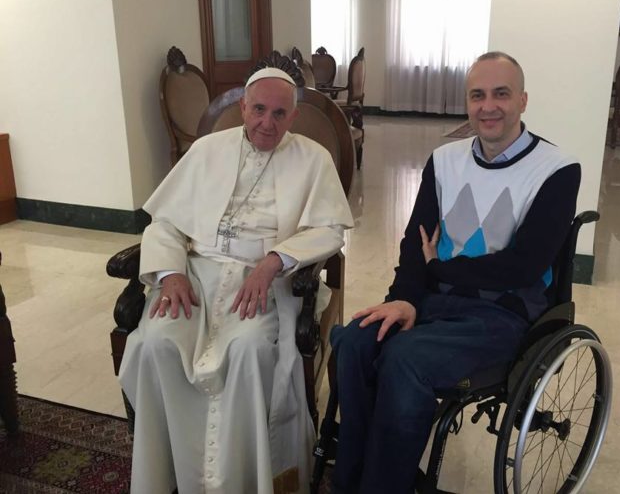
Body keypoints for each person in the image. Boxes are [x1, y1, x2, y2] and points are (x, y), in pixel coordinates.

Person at [331, 52, 581, 494]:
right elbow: (416, 240)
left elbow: (524, 266)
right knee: (353, 342)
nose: (488, 106)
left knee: (404, 359)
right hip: (433, 300)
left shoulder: (557, 170)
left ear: (522, 100)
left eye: (501, 94)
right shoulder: (444, 160)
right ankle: (353, 478)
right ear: (467, 102)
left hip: (504, 314)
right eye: (477, 96)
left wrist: (441, 268)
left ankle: (384, 485)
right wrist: (405, 297)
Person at [118, 67, 354, 494]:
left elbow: (330, 230)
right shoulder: (207, 150)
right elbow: (165, 221)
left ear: (293, 116)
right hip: (196, 272)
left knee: (249, 348)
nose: (267, 123)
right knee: (156, 343)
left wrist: (274, 261)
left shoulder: (313, 158)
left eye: (279, 114)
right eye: (259, 109)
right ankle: (172, 469)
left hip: (264, 279)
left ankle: (243, 477)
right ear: (243, 107)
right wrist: (170, 273)